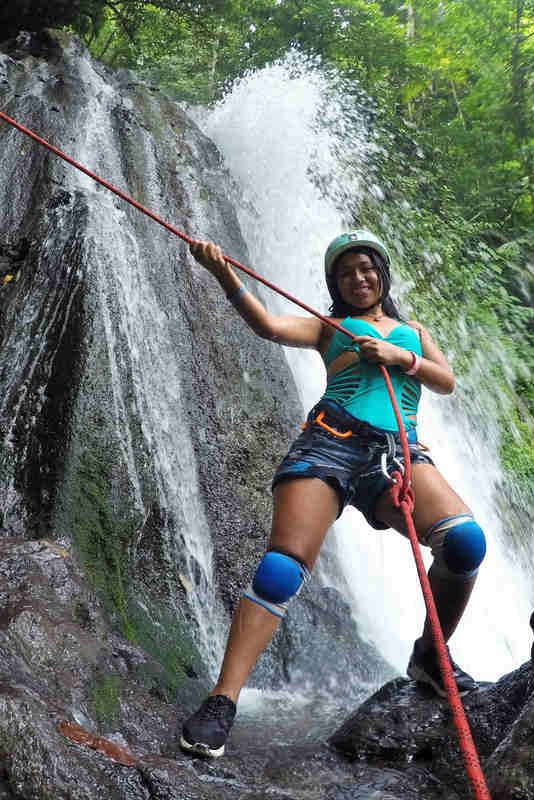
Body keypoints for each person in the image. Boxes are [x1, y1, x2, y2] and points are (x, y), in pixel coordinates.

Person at [180, 230, 486, 758]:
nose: (359, 278)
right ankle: (222, 701)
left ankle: (432, 657)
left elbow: (445, 381)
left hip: (397, 452)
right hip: (329, 443)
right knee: (280, 570)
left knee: (465, 543)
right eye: (346, 274)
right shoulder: (330, 327)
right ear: (335, 285)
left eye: (367, 268)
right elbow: (268, 325)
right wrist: (223, 273)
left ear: (382, 274)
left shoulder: (413, 330)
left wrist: (398, 356)